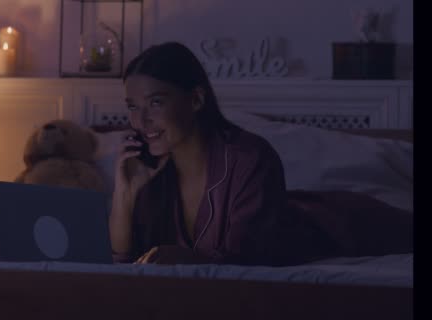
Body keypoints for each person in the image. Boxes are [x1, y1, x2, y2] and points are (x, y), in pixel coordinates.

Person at [109, 41, 413, 266]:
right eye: (133, 107)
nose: (141, 121)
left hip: (340, 223)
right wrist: (124, 195)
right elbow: (123, 261)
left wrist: (188, 259)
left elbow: (248, 264)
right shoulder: (150, 172)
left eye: (156, 103)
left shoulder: (248, 157)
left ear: (196, 100)